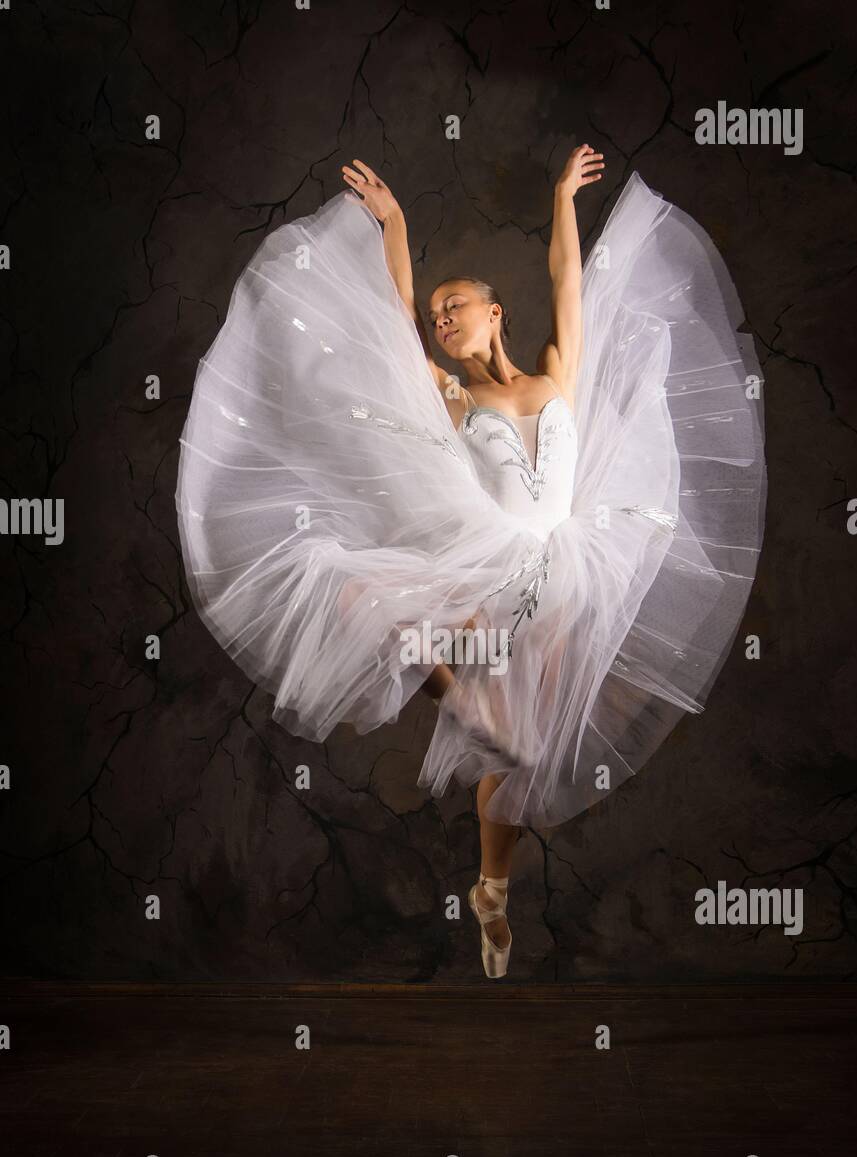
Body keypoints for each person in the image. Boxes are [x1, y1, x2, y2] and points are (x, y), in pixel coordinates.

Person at [176, 147, 766, 979]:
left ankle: (491, 890)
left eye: (458, 306)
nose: (443, 318)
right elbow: (390, 315)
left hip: (568, 569)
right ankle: (459, 706)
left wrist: (561, 195)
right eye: (439, 315)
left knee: (517, 760)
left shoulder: (559, 376)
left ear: (496, 315)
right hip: (491, 566)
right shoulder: (452, 398)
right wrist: (395, 223)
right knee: (364, 598)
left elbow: (568, 279)